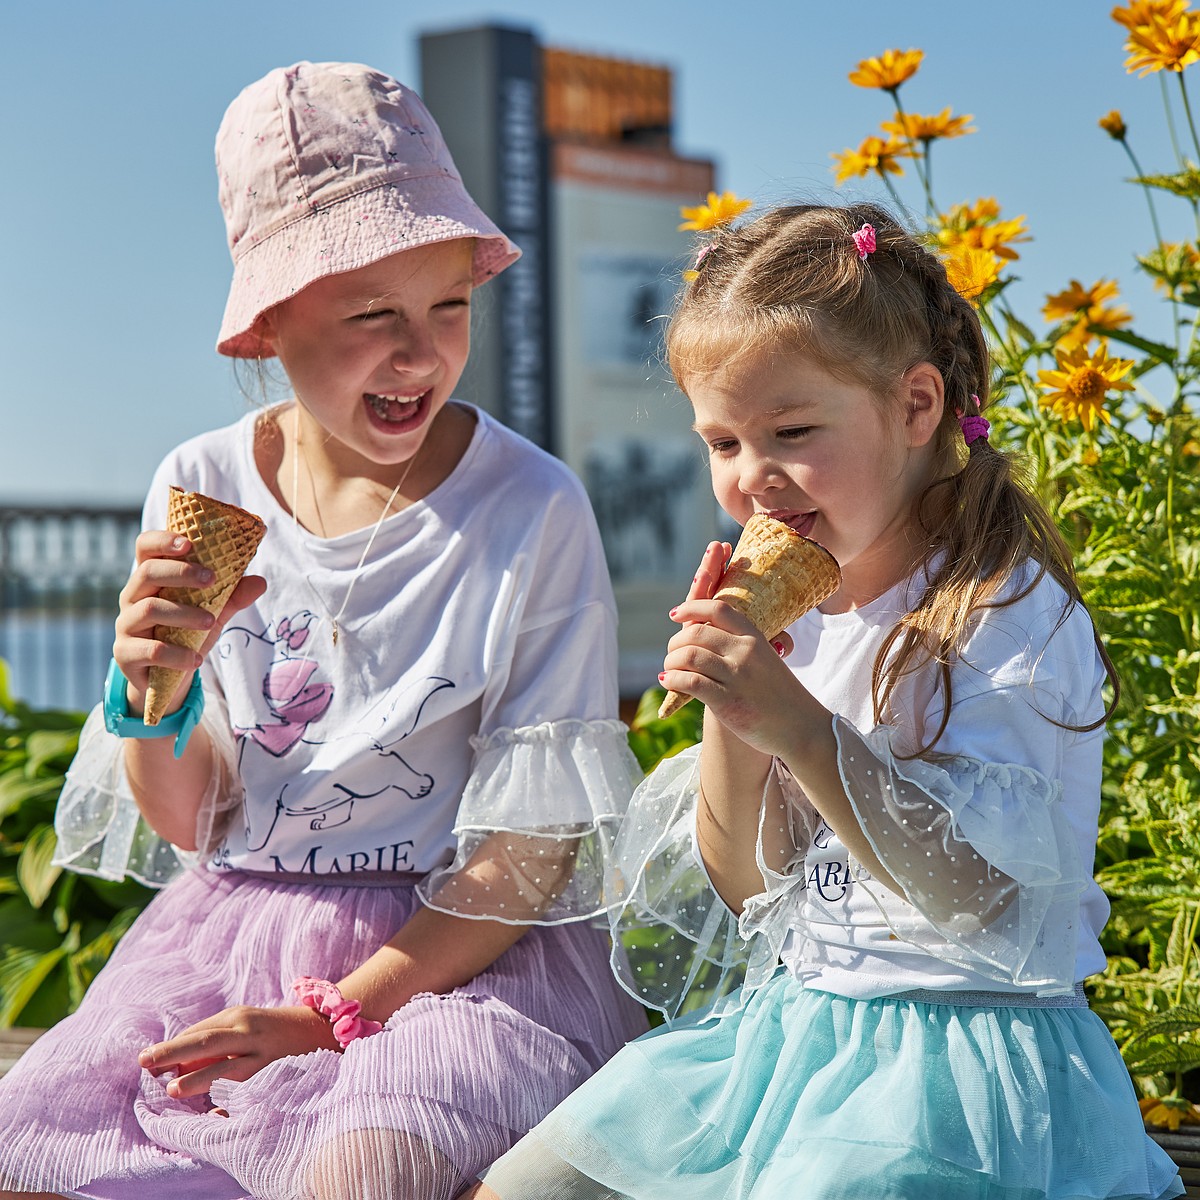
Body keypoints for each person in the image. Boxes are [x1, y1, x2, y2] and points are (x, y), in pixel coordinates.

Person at [0, 61, 647, 1200]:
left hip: (453, 963)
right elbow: (194, 815)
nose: (422, 354)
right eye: (372, 317)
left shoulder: (531, 506)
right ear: (267, 326)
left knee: (360, 1176)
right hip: (232, 931)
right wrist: (154, 690)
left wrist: (338, 1012)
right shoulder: (199, 486)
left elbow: (528, 856)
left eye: (449, 307)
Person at [471, 202, 1185, 1199]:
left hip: (963, 1059)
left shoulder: (1002, 611)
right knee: (525, 1186)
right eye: (721, 443)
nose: (752, 478)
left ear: (917, 407)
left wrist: (801, 730)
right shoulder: (810, 603)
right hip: (795, 1033)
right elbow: (748, 883)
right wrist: (737, 708)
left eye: (791, 432)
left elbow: (976, 900)